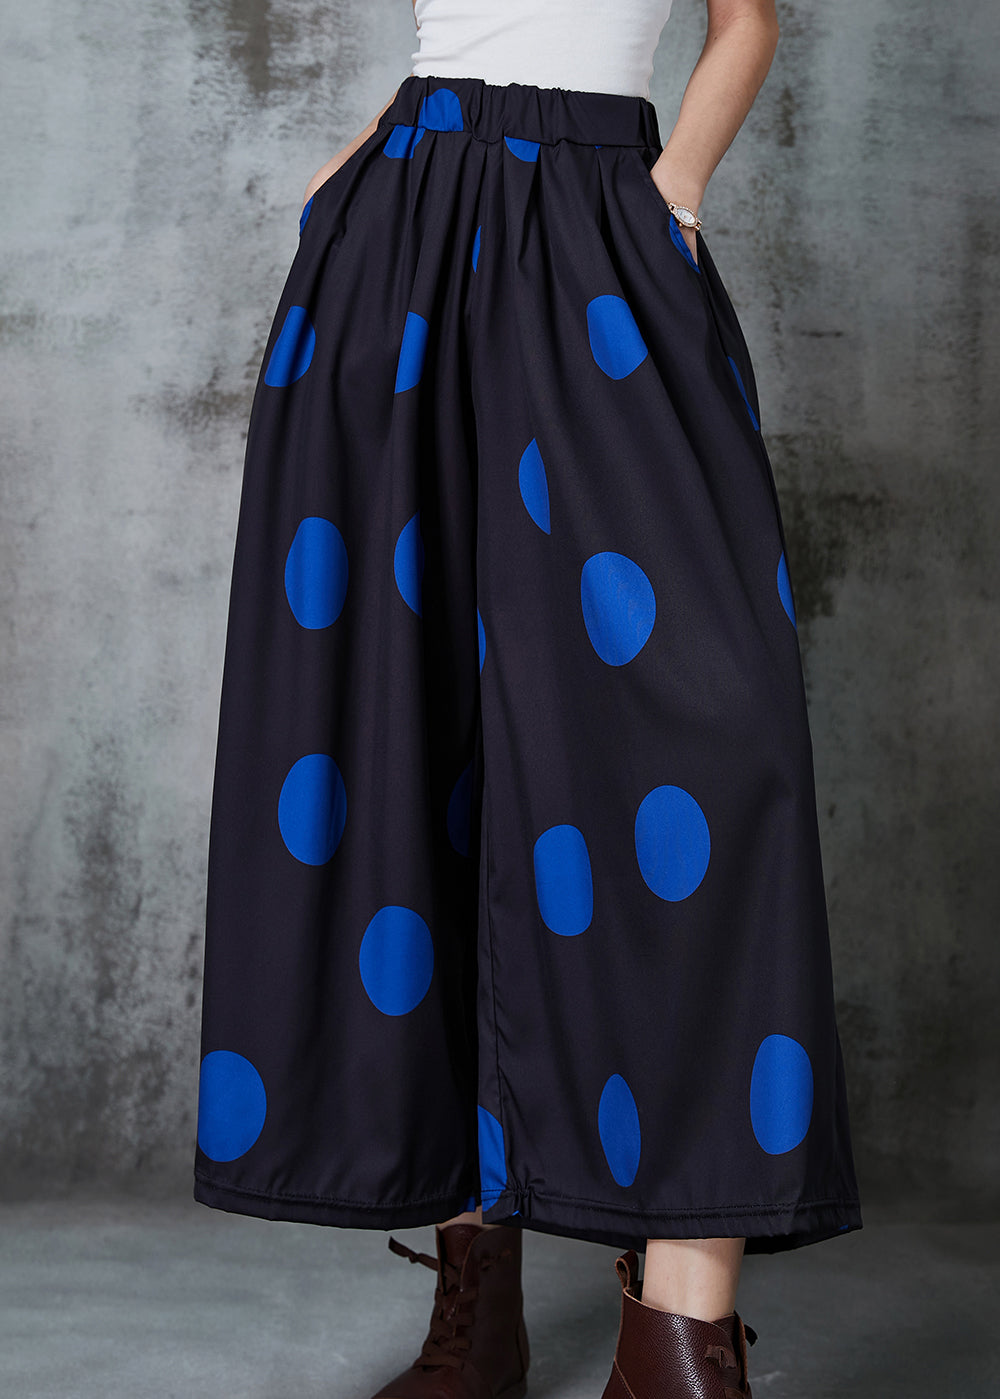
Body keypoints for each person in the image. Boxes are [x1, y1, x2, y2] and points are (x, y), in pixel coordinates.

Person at [193, 2, 863, 1395]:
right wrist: (346, 176)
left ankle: (680, 1342)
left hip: (607, 223)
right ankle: (475, 1302)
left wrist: (673, 196)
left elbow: (745, 21)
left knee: (714, 729)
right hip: (401, 231)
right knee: (415, 726)